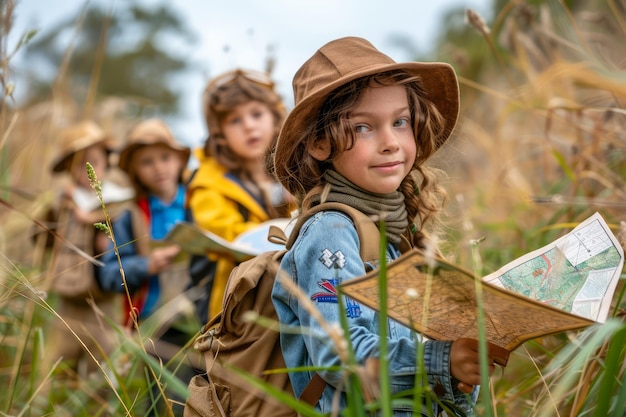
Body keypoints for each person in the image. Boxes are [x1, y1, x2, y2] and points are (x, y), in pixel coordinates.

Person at [270, 37, 497, 416]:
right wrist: (439, 361)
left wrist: (462, 367)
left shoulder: (400, 234)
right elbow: (339, 356)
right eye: (363, 127)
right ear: (320, 143)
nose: (391, 142)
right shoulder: (332, 231)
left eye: (400, 121)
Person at [99, 118, 199, 416]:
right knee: (163, 399)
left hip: (205, 320)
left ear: (179, 160)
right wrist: (146, 265)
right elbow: (107, 274)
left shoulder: (201, 202)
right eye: (147, 162)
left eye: (165, 157)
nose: (159, 168)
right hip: (156, 325)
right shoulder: (131, 217)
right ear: (135, 172)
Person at [186, 68, 294, 323]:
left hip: (286, 293)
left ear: (276, 119)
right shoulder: (208, 181)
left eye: (257, 114)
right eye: (235, 120)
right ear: (220, 133)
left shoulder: (289, 170)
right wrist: (283, 234)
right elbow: (227, 234)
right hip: (232, 301)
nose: (249, 126)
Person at [43, 120, 133, 379]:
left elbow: (124, 239)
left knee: (102, 371)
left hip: (102, 303)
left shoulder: (117, 202)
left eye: (94, 161)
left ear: (106, 161)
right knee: (56, 367)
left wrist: (94, 220)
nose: (86, 169)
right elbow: (42, 240)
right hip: (66, 302)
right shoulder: (62, 203)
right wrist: (57, 211)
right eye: (78, 163)